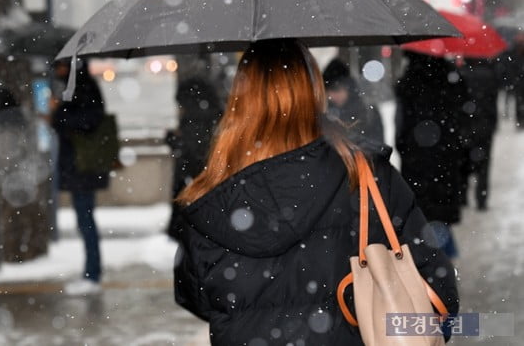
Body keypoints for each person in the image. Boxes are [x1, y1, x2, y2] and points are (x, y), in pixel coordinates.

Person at [174, 40, 459, 345]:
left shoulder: (211, 196)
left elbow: (195, 295)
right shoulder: (367, 178)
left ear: (239, 101)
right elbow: (439, 294)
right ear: (315, 92)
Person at [395, 52, 468, 258]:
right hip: (445, 162)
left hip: (416, 164)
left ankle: (431, 265)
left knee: (419, 216)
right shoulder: (450, 79)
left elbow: (401, 130)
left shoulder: (407, 84)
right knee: (439, 214)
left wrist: (409, 151)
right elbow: (462, 121)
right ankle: (444, 263)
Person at [51, 60, 108, 295]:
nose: (57, 71)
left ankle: (92, 273)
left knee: (86, 220)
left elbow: (88, 121)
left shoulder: (82, 88)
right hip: (79, 166)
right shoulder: (77, 87)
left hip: (82, 166)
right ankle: (91, 272)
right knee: (84, 220)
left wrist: (58, 114)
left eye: (61, 67)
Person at [166, 77, 222, 239]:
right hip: (202, 183)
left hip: (190, 184)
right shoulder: (212, 116)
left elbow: (191, 149)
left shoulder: (192, 120)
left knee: (189, 234)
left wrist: (172, 139)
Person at [458, 58, 499, 210]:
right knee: (484, 164)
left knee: (463, 161)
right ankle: (481, 198)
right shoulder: (489, 75)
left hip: (466, 126)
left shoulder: (460, 74)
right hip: (484, 125)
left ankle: (463, 196)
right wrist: (493, 123)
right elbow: (493, 102)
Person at [323, 58, 384, 143]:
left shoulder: (368, 113)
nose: (331, 96)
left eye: (336, 89)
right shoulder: (322, 114)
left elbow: (377, 147)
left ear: (348, 87)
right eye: (327, 91)